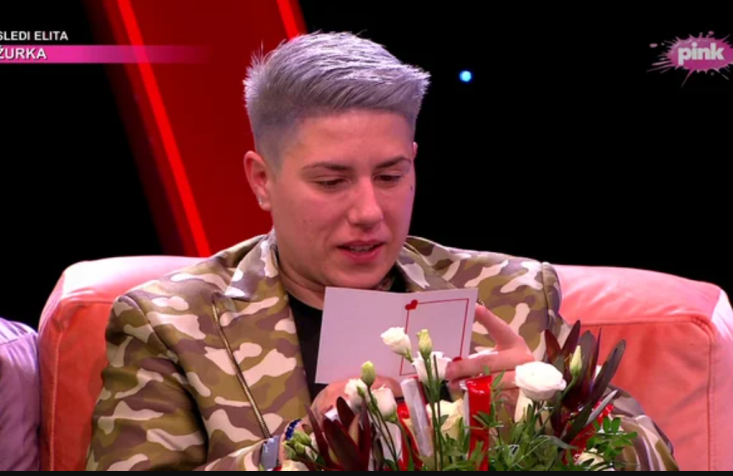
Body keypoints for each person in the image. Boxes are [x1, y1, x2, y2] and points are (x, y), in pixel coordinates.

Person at [87, 32, 676, 471]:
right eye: (332, 181)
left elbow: (656, 458)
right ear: (262, 180)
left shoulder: (509, 293)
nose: (369, 211)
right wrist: (302, 445)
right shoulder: (170, 322)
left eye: (390, 176)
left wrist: (553, 412)